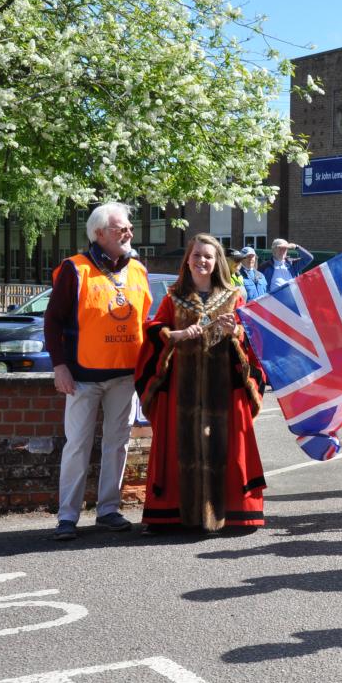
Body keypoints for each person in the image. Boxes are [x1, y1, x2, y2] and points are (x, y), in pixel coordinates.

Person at [135, 233, 267, 533]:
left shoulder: (235, 297)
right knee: (180, 448)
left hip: (224, 391)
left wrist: (236, 332)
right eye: (196, 255)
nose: (201, 261)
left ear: (217, 261)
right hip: (183, 390)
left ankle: (233, 514)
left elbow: (252, 344)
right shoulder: (173, 297)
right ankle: (178, 516)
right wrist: (175, 336)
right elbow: (155, 330)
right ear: (188, 260)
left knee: (229, 450)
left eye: (208, 256)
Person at [44, 202, 153, 541]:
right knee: (77, 445)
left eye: (129, 227)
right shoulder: (74, 269)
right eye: (122, 228)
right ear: (99, 233)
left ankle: (108, 509)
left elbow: (146, 321)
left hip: (125, 376)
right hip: (81, 377)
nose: (129, 232)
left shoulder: (138, 269)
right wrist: (59, 366)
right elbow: (53, 322)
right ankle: (67, 516)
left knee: (118, 444)